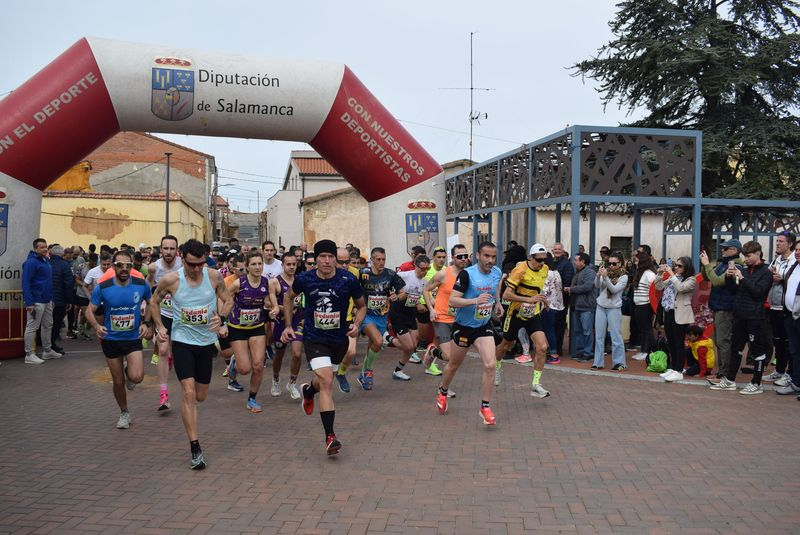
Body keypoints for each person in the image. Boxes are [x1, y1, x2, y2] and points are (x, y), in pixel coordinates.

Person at [151, 239, 232, 469]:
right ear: (182, 258)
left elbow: (228, 299)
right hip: (182, 342)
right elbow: (154, 302)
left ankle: (193, 410)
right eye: (191, 264)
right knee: (188, 393)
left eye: (200, 264)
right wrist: (160, 326)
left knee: (200, 396)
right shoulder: (171, 280)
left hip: (206, 343)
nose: (196, 269)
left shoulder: (213, 276)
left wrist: (222, 319)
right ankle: (195, 448)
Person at [280, 239, 366, 455]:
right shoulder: (305, 279)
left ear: (335, 259)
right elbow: (288, 297)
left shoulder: (348, 279)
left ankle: (309, 390)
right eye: (322, 257)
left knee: (323, 380)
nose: (327, 261)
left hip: (339, 339)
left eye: (330, 257)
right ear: (315, 259)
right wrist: (289, 325)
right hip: (314, 337)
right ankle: (330, 437)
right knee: (327, 381)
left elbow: (362, 306)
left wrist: (356, 325)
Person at [437, 241, 503, 424]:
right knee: (453, 365)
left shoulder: (497, 272)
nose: (490, 260)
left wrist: (497, 303)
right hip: (464, 327)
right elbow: (453, 301)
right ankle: (442, 391)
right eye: (486, 256)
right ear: (478, 255)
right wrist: (475, 301)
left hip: (483, 326)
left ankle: (485, 407)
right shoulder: (467, 275)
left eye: (493, 257)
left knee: (490, 365)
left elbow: (494, 289)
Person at [85, 250, 152, 429]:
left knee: (137, 377)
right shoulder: (103, 287)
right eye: (120, 265)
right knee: (118, 381)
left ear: (132, 266)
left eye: (127, 265)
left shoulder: (141, 284)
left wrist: (146, 323)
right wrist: (96, 326)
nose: (124, 269)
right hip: (111, 339)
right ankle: (124, 412)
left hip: (132, 338)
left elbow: (151, 302)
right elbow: (89, 311)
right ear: (113, 267)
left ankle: (130, 372)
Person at [710, 241, 772, 394]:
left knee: (757, 351)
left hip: (755, 317)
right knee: (735, 349)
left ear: (758, 254)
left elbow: (758, 292)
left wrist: (742, 278)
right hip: (739, 316)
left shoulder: (766, 272)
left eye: (749, 256)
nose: (746, 259)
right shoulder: (744, 269)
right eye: (745, 256)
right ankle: (730, 380)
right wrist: (730, 277)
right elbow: (734, 290)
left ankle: (756, 383)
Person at [493, 244, 552, 398]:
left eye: (544, 260)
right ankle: (496, 366)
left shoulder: (545, 269)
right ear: (531, 257)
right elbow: (506, 295)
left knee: (542, 347)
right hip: (515, 312)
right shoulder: (520, 269)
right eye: (539, 260)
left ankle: (536, 384)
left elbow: (537, 289)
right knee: (507, 345)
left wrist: (543, 300)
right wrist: (528, 299)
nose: (542, 263)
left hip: (533, 313)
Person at [222, 250, 270, 412]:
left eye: (260, 264)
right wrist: (222, 321)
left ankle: (252, 399)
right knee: (244, 369)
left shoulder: (266, 283)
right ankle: (234, 366)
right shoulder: (238, 284)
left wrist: (272, 307)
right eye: (253, 264)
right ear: (247, 267)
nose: (257, 267)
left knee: (258, 365)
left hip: (257, 327)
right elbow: (226, 300)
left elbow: (269, 300)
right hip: (237, 328)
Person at [423, 243, 469, 399]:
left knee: (456, 358)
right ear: (453, 258)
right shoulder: (443, 274)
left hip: (459, 320)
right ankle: (443, 387)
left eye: (466, 256)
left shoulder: (468, 275)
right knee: (449, 357)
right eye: (460, 256)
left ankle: (433, 352)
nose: (463, 259)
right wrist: (431, 309)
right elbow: (426, 289)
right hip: (441, 318)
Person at [356, 247, 406, 390]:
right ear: (372, 260)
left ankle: (363, 375)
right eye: (378, 259)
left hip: (382, 316)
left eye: (383, 259)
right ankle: (369, 371)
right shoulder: (363, 274)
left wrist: (397, 296)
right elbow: (354, 291)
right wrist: (355, 307)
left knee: (373, 346)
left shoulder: (390, 274)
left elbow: (403, 293)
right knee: (378, 341)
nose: (381, 262)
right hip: (366, 315)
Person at [147, 236, 182, 411]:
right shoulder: (154, 267)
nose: (168, 252)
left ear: (177, 250)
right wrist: (146, 308)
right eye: (165, 248)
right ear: (160, 249)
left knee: (177, 350)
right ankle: (163, 395)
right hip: (164, 314)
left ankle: (171, 357)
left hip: (182, 316)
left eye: (172, 248)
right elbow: (148, 286)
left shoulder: (184, 265)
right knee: (162, 349)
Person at [699, 239, 742, 378]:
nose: (722, 250)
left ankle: (725, 372)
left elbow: (717, 281)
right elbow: (707, 277)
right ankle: (722, 371)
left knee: (723, 341)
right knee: (718, 340)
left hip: (726, 307)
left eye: (726, 248)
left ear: (734, 250)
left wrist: (707, 265)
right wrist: (705, 264)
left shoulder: (736, 266)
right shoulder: (723, 264)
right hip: (718, 306)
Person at [384, 255, 431, 381]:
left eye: (427, 269)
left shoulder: (425, 281)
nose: (425, 271)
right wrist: (392, 294)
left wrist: (420, 304)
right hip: (398, 313)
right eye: (422, 269)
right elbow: (388, 281)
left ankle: (398, 371)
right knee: (408, 347)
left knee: (413, 345)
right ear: (415, 266)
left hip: (410, 313)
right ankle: (387, 337)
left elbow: (416, 296)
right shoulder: (404, 275)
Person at [655, 256, 697, 382]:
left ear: (687, 267)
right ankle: (673, 368)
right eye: (676, 265)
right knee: (671, 342)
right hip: (669, 312)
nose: (676, 268)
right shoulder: (674, 277)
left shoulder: (691, 279)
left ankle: (679, 370)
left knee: (679, 343)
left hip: (680, 314)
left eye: (680, 266)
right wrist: (659, 274)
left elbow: (681, 288)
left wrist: (672, 274)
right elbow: (659, 287)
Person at [268, 252, 304, 400]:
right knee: (279, 354)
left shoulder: (301, 281)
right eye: (288, 264)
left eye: (294, 264)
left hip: (298, 321)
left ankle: (292, 383)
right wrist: (279, 308)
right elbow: (270, 301)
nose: (291, 267)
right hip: (281, 322)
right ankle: (275, 379)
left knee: (297, 354)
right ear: (282, 265)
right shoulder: (274, 282)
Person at [763, 231, 797, 383]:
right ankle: (779, 370)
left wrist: (782, 279)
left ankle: (790, 374)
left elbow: (794, 282)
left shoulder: (794, 261)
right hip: (773, 306)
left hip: (786, 308)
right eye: (777, 241)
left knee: (788, 341)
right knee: (778, 341)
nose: (777, 244)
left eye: (781, 241)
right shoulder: (776, 259)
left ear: (790, 244)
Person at [22, 238, 61, 364]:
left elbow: (48, 282)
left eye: (45, 247)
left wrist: (51, 298)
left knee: (48, 325)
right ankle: (29, 354)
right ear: (35, 249)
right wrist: (29, 303)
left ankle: (47, 351)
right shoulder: (31, 262)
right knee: (32, 327)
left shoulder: (45, 260)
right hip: (36, 301)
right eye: (42, 247)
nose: (45, 249)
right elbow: (26, 283)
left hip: (47, 300)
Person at [592, 252, 629, 370]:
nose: (611, 266)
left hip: (614, 308)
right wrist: (598, 275)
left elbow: (613, 290)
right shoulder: (605, 272)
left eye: (614, 263)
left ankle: (619, 362)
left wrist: (605, 277)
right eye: (610, 263)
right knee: (599, 336)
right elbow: (597, 285)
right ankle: (598, 362)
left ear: (620, 263)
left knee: (616, 336)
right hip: (601, 306)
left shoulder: (624, 276)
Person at [333, 247, 362, 393]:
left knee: (351, 352)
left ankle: (341, 373)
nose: (344, 265)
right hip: (329, 320)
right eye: (341, 262)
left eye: (347, 262)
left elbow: (358, 294)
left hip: (348, 318)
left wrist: (356, 308)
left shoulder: (354, 273)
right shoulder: (325, 274)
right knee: (331, 357)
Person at [777, 240, 800, 396]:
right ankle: (796, 383)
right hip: (790, 316)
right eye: (796, 249)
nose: (797, 252)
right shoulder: (794, 267)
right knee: (794, 351)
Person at [566, 253, 596, 361]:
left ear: (583, 261)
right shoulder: (578, 272)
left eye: (576, 260)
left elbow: (587, 287)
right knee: (578, 331)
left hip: (586, 306)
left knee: (587, 331)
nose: (574, 262)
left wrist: (571, 289)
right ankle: (581, 351)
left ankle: (588, 353)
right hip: (577, 305)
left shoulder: (590, 272)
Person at [631, 252, 658, 360]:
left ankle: (647, 351)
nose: (635, 263)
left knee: (646, 328)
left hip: (646, 305)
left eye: (637, 261)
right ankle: (643, 350)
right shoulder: (640, 273)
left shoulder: (649, 274)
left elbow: (654, 289)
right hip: (638, 304)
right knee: (642, 328)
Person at [48, 245, 73, 356]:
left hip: (46, 299)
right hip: (59, 300)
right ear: (62, 254)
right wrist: (69, 300)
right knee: (56, 323)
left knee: (46, 324)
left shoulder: (46, 263)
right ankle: (51, 345)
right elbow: (68, 284)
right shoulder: (65, 265)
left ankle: (44, 344)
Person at [550, 243, 573, 358]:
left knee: (559, 325)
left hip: (561, 301)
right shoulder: (551, 263)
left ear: (563, 251)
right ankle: (553, 347)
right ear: (552, 250)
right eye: (555, 249)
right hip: (550, 301)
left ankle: (557, 349)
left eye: (559, 249)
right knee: (551, 325)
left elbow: (567, 283)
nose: (557, 251)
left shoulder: (567, 264)